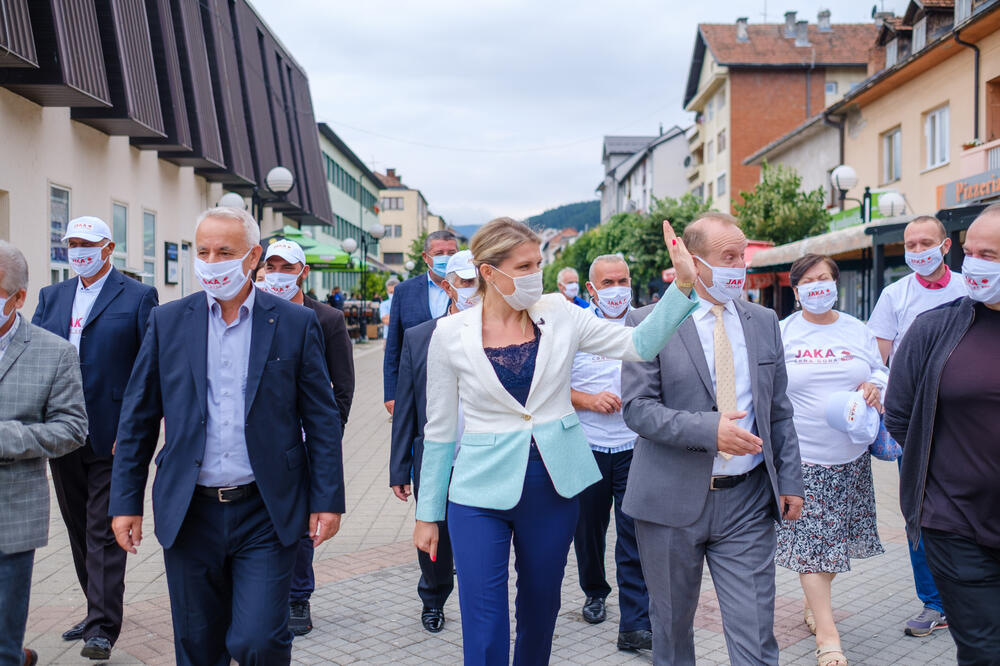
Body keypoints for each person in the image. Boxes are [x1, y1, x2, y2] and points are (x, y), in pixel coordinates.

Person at [412, 216, 698, 665]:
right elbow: (440, 431)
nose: (535, 275)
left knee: (540, 610)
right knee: (484, 623)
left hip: (553, 484)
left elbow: (639, 344)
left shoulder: (561, 313)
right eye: (523, 266)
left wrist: (683, 284)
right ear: (489, 272)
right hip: (476, 492)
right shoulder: (449, 335)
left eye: (538, 264)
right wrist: (427, 514)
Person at [108, 207, 345, 666]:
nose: (211, 261)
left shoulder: (294, 324)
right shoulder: (168, 321)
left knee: (258, 641)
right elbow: (137, 420)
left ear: (253, 256)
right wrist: (124, 502)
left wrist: (328, 498)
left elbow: (321, 419)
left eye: (225, 252)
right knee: (198, 646)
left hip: (266, 509)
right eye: (203, 251)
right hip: (189, 510)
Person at [620, 211, 804, 666]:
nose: (740, 266)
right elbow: (637, 410)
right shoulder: (649, 322)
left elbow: (778, 409)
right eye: (728, 257)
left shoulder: (763, 320)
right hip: (669, 503)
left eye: (742, 256)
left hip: (747, 501)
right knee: (672, 630)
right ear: (694, 262)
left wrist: (792, 481)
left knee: (757, 631)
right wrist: (710, 430)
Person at [30, 216, 158, 659]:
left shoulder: (139, 296)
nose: (78, 250)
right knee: (79, 528)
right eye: (72, 243)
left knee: (105, 529)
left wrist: (137, 429)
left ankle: (102, 627)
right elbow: (33, 355)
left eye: (87, 243)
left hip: (113, 435)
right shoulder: (52, 296)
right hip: (62, 433)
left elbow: (148, 369)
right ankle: (94, 608)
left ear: (109, 247)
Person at [885, 206, 1000, 665]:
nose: (973, 264)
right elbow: (899, 416)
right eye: (970, 251)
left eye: (987, 254)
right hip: (956, 525)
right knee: (984, 652)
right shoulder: (933, 328)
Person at [775, 254, 888, 666]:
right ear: (796, 289)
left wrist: (875, 387)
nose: (818, 285)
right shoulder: (784, 331)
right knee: (813, 547)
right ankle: (829, 635)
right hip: (803, 457)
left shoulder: (856, 329)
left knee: (834, 543)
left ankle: (814, 604)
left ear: (835, 284)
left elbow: (880, 372)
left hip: (852, 457)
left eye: (825, 278)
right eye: (809, 280)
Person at [866, 215, 965, 637]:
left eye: (926, 242)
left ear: (945, 247)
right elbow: (879, 358)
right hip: (918, 424)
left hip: (967, 420)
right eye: (910, 244)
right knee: (919, 514)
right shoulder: (895, 294)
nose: (917, 250)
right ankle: (934, 602)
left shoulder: (970, 288)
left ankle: (973, 595)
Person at [260, 239, 356, 637]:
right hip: (263, 436)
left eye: (287, 266)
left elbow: (343, 386)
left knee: (301, 523)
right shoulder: (254, 311)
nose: (278, 273)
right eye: (272, 265)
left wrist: (326, 438)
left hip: (305, 439)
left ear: (303, 272)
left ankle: (299, 597)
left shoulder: (327, 318)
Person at [0, 241, 88, 666]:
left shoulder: (54, 353)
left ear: (18, 298)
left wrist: (7, 438)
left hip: (10, 515)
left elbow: (72, 429)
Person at [389, 249, 480, 634]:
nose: (471, 289)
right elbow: (407, 403)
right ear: (448, 285)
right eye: (463, 282)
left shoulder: (500, 333)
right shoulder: (422, 336)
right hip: (435, 455)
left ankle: (479, 602)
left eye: (477, 281)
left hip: (484, 456)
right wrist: (399, 467)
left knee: (479, 538)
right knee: (432, 533)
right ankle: (433, 598)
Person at [568, 254, 652, 651]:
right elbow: (550, 387)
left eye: (623, 281)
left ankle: (636, 619)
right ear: (591, 289)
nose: (617, 289)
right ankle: (594, 591)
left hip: (635, 447)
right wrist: (588, 400)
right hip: (587, 446)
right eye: (608, 282)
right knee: (588, 530)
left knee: (633, 530)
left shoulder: (645, 326)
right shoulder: (573, 329)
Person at [383, 230, 459, 415]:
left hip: (458, 383)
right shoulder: (404, 291)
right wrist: (391, 393)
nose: (446, 258)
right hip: (415, 384)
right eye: (439, 254)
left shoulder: (468, 289)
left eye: (452, 253)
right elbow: (394, 345)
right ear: (426, 257)